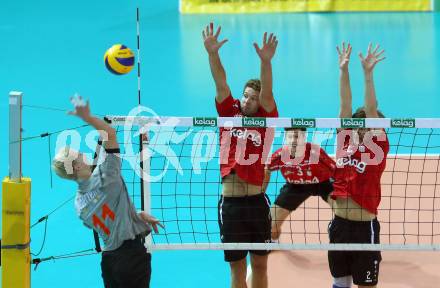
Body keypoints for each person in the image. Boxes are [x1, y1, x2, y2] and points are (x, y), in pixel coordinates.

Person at [52, 95, 164, 288]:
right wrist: (87, 117)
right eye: (79, 155)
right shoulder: (106, 175)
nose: (83, 153)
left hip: (109, 262)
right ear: (77, 167)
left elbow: (108, 216)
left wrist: (135, 215)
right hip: (131, 258)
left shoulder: (79, 204)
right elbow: (110, 133)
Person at [202, 22, 278, 288]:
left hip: (257, 203)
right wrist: (213, 54)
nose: (247, 101)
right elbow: (220, 82)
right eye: (245, 96)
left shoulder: (266, 118)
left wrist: (265, 62)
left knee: (259, 264)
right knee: (237, 269)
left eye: (252, 98)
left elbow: (268, 92)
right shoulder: (229, 113)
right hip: (231, 205)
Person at [328, 42, 389, 288]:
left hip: (365, 228)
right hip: (339, 225)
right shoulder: (345, 142)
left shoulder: (378, 147)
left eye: (366, 124)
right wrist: (343, 71)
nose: (361, 128)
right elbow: (344, 105)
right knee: (339, 284)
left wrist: (368, 75)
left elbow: (371, 109)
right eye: (359, 124)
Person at [263, 127, 336, 240]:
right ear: (285, 138)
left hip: (322, 184)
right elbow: (266, 169)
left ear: (304, 138)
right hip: (295, 186)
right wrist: (261, 193)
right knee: (271, 225)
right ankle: (272, 240)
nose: (293, 140)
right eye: (290, 137)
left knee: (343, 211)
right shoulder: (281, 155)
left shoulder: (315, 152)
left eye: (297, 136)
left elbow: (335, 170)